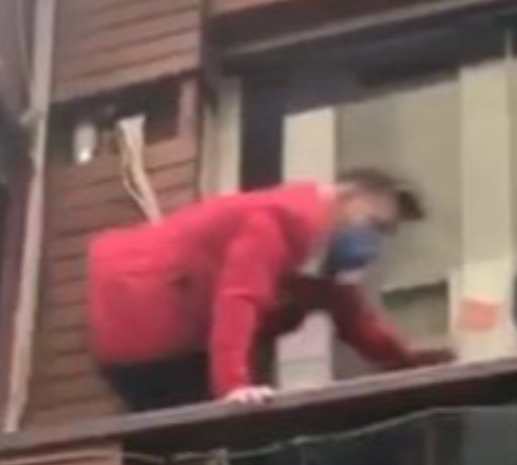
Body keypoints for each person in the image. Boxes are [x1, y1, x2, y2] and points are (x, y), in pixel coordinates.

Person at [88, 167, 453, 411]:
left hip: (179, 334)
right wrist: (233, 385)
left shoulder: (321, 258)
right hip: (147, 320)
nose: (374, 241)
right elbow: (239, 297)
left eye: (384, 233)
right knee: (219, 432)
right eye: (374, 225)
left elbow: (356, 320)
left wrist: (407, 363)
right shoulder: (279, 220)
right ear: (346, 198)